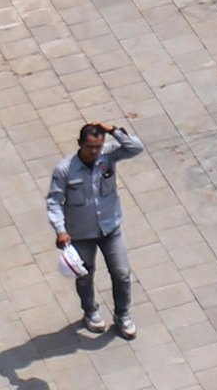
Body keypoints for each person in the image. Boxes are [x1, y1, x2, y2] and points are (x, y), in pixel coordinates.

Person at [42, 119, 144, 337]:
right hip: (81, 233)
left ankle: (123, 314)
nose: (94, 151)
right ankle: (90, 310)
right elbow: (54, 201)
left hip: (110, 228)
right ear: (79, 143)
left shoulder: (108, 155)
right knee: (85, 275)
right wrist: (60, 230)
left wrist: (113, 131)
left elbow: (136, 147)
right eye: (89, 147)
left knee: (122, 273)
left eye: (98, 146)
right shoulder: (64, 170)